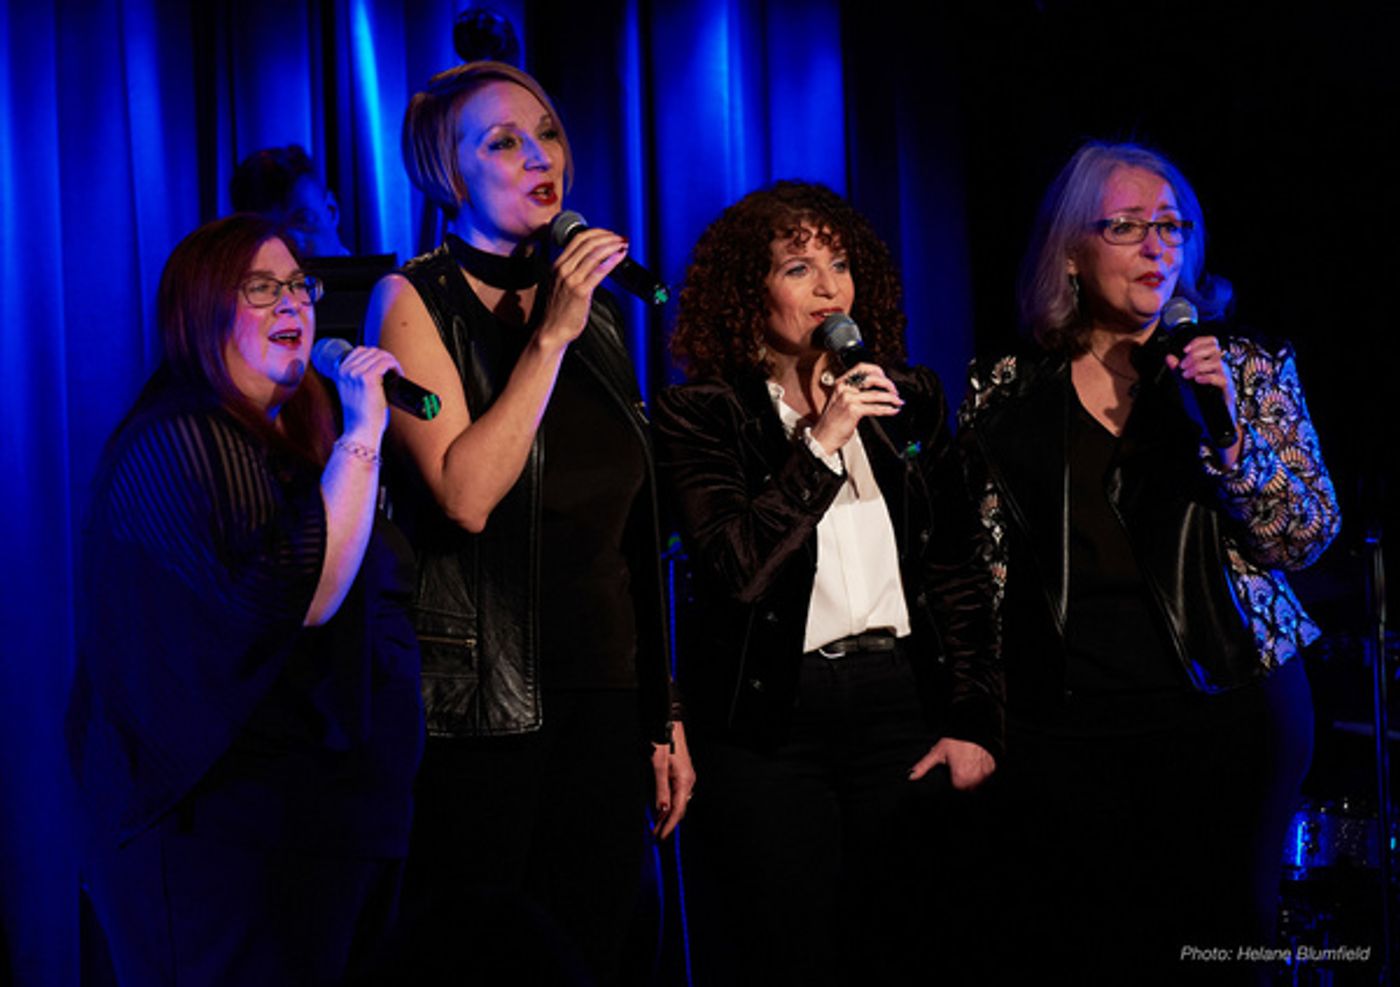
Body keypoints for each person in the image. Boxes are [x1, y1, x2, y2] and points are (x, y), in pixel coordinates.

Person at [957, 141, 1340, 982]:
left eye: (1172, 225)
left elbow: (1306, 533)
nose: (1157, 244)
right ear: (1069, 248)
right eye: (1127, 225)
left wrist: (1234, 441)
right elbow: (977, 566)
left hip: (1230, 704)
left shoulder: (1243, 367)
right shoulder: (1006, 384)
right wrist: (974, 710)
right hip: (1065, 721)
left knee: (1224, 941)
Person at [366, 61, 693, 984]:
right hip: (483, 707)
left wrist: (662, 715)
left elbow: (634, 533)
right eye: (502, 142)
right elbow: (467, 493)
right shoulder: (412, 300)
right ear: (448, 173)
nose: (538, 156)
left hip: (603, 693)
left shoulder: (596, 317)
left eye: (546, 132)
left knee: (596, 952)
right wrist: (546, 337)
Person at [653, 180, 1002, 987]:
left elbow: (957, 570)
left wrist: (977, 718)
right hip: (774, 722)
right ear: (750, 290)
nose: (827, 287)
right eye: (798, 267)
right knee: (787, 949)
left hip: (897, 705)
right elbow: (735, 569)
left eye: (838, 264)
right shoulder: (702, 414)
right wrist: (819, 444)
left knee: (906, 942)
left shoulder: (906, 399)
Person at [67, 214, 422, 986]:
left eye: (299, 285)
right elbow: (307, 596)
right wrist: (363, 434)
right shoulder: (182, 437)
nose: (292, 303)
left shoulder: (286, 444)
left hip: (320, 828)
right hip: (213, 839)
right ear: (200, 310)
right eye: (262, 289)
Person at [232, 145, 351, 258]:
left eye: (303, 220)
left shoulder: (368, 279)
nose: (291, 243)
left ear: (332, 211)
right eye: (270, 232)